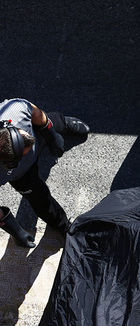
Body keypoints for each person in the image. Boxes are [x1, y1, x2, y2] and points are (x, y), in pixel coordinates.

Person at [0, 98, 90, 245]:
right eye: (25, 151)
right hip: (22, 174)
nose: (31, 148)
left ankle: (63, 123)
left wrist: (51, 134)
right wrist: (15, 230)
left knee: (49, 122)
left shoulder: (15, 109)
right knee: (40, 199)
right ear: (9, 162)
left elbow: (36, 113)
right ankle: (63, 225)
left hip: (34, 133)